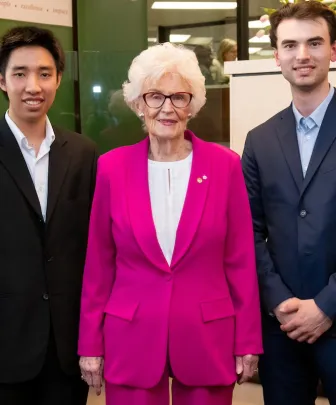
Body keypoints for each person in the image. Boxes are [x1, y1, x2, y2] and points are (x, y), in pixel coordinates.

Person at [78, 42, 262, 405]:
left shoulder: (225, 166)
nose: (167, 108)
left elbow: (240, 261)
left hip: (208, 334)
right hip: (130, 333)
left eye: (179, 97)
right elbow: (99, 264)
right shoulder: (111, 168)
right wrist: (90, 343)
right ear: (137, 103)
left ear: (191, 104)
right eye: (154, 96)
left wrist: (248, 340)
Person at [242, 2, 336, 404]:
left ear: (334, 50)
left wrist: (327, 304)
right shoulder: (259, 140)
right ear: (276, 55)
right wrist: (278, 300)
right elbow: (248, 230)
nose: (302, 55)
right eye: (290, 44)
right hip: (281, 330)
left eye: (314, 42)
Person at [0, 26, 98, 405]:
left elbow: (92, 247)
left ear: (58, 77)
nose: (33, 86)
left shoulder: (83, 153)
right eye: (19, 73)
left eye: (44, 73)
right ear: (3, 81)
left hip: (66, 347)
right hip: (6, 344)